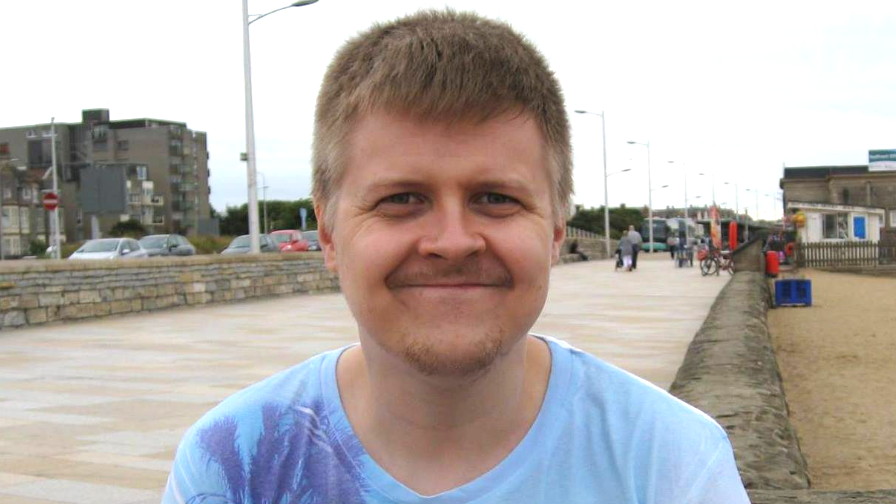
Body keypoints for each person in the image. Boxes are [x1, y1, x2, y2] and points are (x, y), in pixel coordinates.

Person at [162, 10, 749, 504]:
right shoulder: (232, 464)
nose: (452, 240)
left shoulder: (672, 463)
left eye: (496, 199)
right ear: (330, 235)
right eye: (401, 200)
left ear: (555, 231)